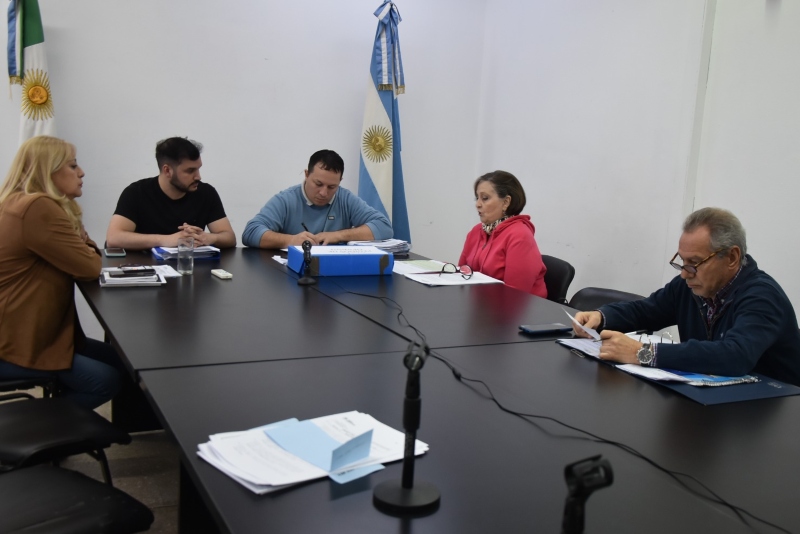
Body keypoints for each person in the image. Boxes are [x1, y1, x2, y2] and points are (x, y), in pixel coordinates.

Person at [573, 207, 800, 386]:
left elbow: (735, 355)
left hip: (773, 412)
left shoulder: (762, 297)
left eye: (694, 262)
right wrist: (602, 317)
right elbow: (646, 310)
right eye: (682, 261)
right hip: (715, 400)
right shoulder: (690, 285)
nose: (684, 273)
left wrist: (641, 353)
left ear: (732, 257)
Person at [0, 136, 122, 409]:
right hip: (14, 342)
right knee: (105, 380)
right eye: (73, 165)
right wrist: (84, 241)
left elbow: (83, 258)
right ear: (48, 170)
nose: (82, 173)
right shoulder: (37, 207)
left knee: (122, 360)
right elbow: (90, 267)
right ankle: (35, 430)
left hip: (29, 332)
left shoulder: (17, 201)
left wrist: (81, 241)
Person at [242, 149, 393, 248]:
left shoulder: (345, 199)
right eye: (318, 184)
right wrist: (291, 240)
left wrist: (338, 235)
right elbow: (250, 232)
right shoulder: (286, 200)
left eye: (332, 187)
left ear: (340, 182)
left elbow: (384, 227)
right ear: (307, 175)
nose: (323, 193)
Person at [106, 137, 236, 250]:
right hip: (145, 267)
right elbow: (114, 238)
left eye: (198, 169)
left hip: (190, 267)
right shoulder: (136, 192)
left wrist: (208, 238)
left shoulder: (206, 192)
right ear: (167, 170)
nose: (198, 176)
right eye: (190, 171)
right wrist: (167, 240)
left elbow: (229, 237)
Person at [458, 170, 547, 298]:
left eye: (485, 198)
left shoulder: (520, 236)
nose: (477, 204)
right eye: (477, 198)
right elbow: (461, 273)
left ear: (506, 202)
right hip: (481, 302)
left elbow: (515, 295)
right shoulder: (476, 231)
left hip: (520, 307)